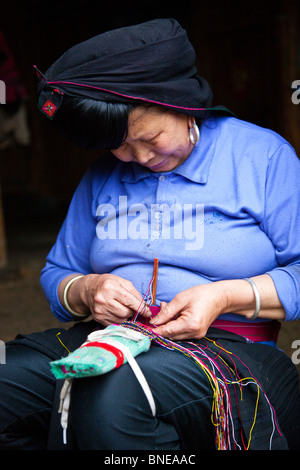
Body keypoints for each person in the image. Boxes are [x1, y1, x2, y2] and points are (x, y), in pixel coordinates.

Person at [1, 18, 300, 451]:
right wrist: (88, 289)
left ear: (180, 103)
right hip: (110, 340)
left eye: (151, 137)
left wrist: (223, 297)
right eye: (120, 147)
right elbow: (58, 273)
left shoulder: (262, 156)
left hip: (231, 349)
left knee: (112, 394)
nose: (139, 157)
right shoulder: (104, 175)